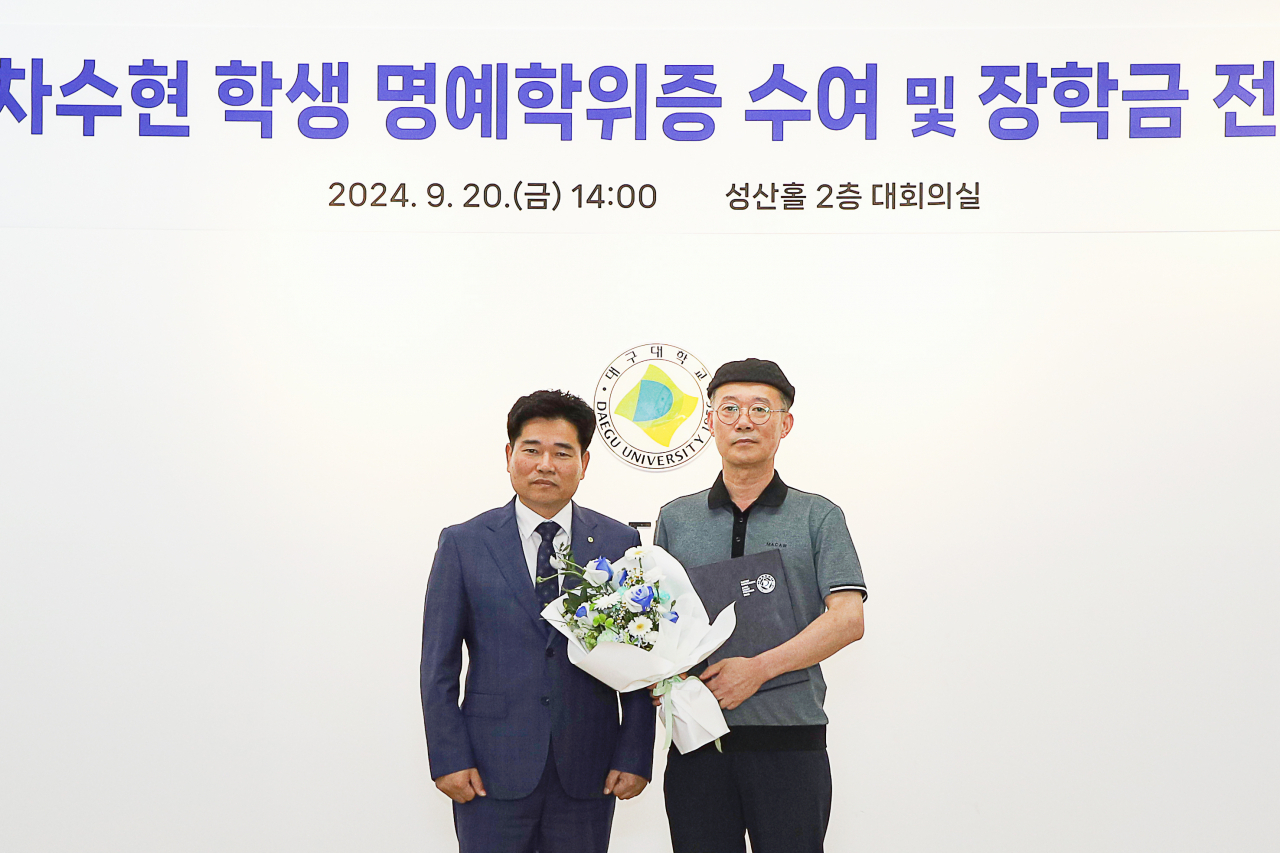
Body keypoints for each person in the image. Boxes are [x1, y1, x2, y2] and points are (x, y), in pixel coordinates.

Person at [421, 390, 657, 853]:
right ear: (509, 456)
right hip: (489, 769)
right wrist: (448, 757)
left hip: (588, 769)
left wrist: (635, 752)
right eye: (531, 450)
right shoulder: (464, 544)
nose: (545, 464)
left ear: (584, 462)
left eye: (562, 452)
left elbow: (639, 657)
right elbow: (438, 667)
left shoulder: (618, 540)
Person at [654, 358, 867, 853]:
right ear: (710, 421)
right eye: (729, 409)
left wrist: (758, 670)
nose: (743, 421)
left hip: (790, 741)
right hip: (698, 742)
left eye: (759, 409)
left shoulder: (819, 516)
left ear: (784, 424)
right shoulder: (676, 519)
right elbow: (662, 625)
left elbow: (848, 619)